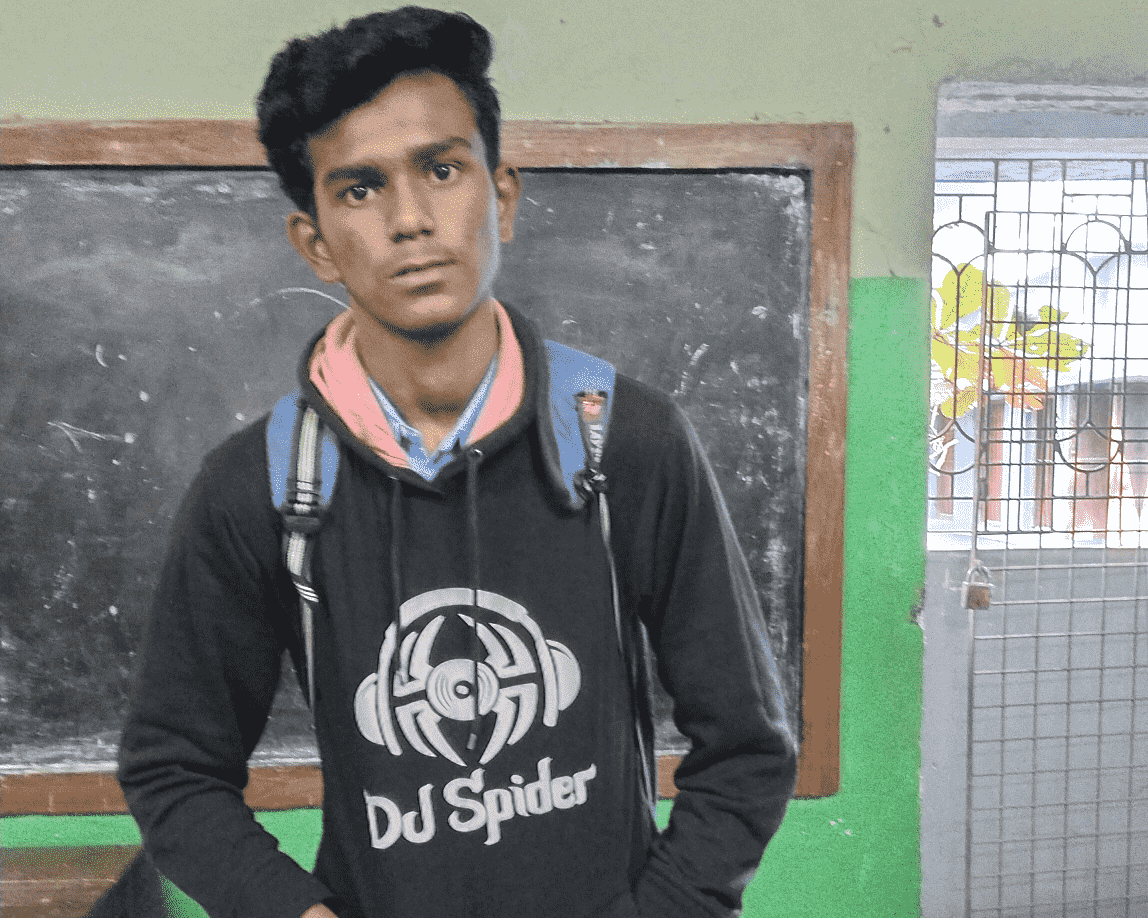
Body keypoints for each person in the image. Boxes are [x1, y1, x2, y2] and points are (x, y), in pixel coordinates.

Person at [116, 8, 798, 918]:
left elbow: (749, 747)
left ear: (501, 196)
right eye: (360, 189)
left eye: (442, 170)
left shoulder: (622, 439)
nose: (410, 220)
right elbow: (174, 771)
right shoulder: (261, 485)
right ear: (315, 243)